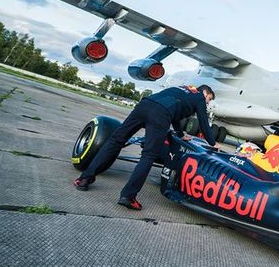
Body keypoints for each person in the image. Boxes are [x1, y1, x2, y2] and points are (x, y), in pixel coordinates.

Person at [73, 84, 217, 210]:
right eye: (209, 99)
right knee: (148, 155)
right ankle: (128, 196)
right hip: (160, 115)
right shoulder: (199, 97)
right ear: (205, 93)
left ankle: (84, 179)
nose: (207, 103)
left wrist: (180, 134)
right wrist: (212, 143)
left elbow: (175, 115)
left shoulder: (182, 89)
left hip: (144, 105)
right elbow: (203, 123)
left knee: (116, 140)